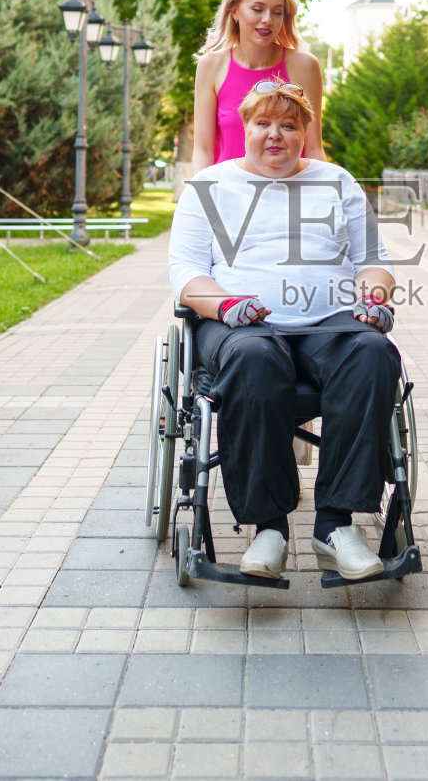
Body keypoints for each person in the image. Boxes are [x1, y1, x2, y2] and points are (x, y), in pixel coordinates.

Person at [167, 80, 398, 582]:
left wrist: (374, 300)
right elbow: (186, 272)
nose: (275, 135)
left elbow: (373, 263)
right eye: (263, 124)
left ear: (304, 132)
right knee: (254, 361)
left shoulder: (337, 182)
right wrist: (226, 304)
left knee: (373, 353)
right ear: (244, 128)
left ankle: (336, 526)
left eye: (288, 126)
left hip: (328, 322)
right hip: (241, 323)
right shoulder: (210, 187)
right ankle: (269, 527)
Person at [191, 0, 326, 172]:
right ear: (234, 11)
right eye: (257, 9)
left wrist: (325, 194)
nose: (268, 20)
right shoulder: (211, 66)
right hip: (229, 195)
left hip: (289, 194)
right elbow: (202, 150)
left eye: (277, 12)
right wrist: (201, 197)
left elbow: (314, 148)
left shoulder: (305, 66)